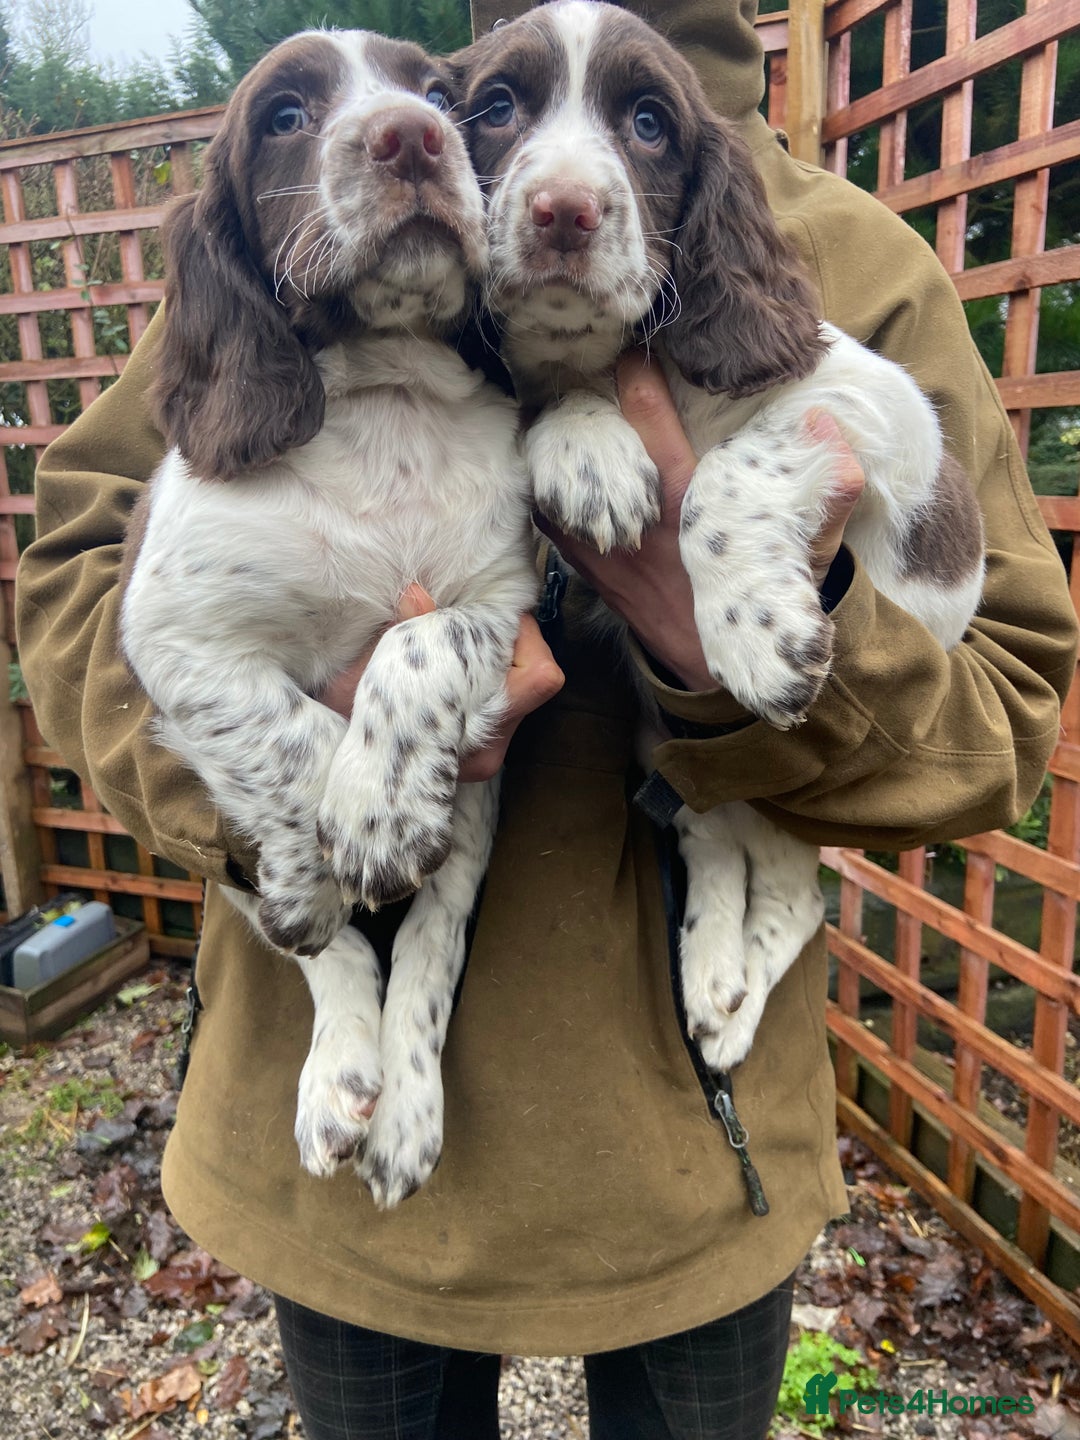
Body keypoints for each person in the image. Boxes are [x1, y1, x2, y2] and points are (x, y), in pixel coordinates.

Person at [15, 0, 1076, 1436]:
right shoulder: (376, 161)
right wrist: (292, 795)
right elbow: (83, 568)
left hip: (686, 1166)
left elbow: (1005, 710)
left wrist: (730, 640)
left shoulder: (853, 253)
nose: (563, 181)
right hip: (342, 1145)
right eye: (506, 112)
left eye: (641, 125)